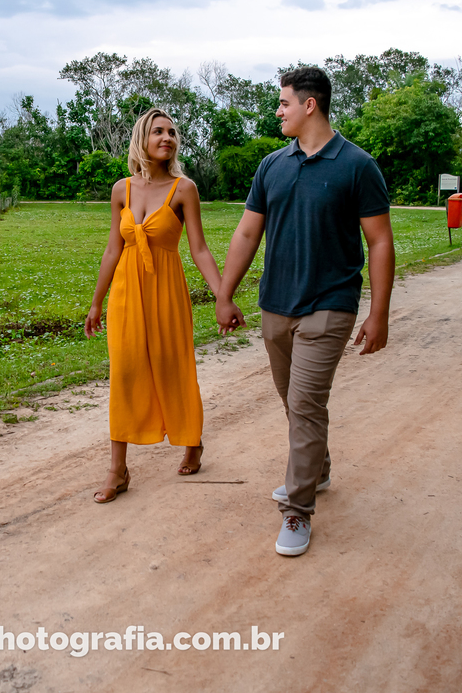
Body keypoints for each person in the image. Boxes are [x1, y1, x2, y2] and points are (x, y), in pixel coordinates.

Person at [215, 67, 394, 557]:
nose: (278, 111)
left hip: (329, 306)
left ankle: (297, 509)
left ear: (309, 105)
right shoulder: (272, 165)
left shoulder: (357, 165)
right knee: (295, 404)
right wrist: (225, 293)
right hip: (276, 305)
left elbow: (379, 242)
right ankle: (318, 469)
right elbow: (248, 233)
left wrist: (378, 314)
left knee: (307, 404)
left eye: (284, 103)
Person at [85, 108, 223, 503]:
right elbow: (113, 249)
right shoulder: (121, 189)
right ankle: (118, 468)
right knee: (125, 372)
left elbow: (199, 249)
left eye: (173, 132)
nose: (168, 138)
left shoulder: (184, 189)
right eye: (158, 131)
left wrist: (221, 295)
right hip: (126, 293)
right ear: (142, 138)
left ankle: (191, 440)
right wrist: (96, 302)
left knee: (172, 364)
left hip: (166, 290)